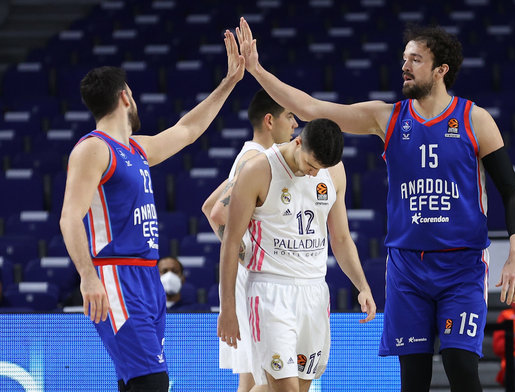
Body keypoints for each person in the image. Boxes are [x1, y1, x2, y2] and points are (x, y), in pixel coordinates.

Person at [234, 18, 515, 392]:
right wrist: (257, 69)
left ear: (441, 70)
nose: (404, 66)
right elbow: (309, 106)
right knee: (413, 378)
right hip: (407, 269)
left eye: (415, 60)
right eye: (404, 58)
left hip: (462, 266)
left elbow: (512, 190)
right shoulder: (387, 117)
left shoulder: (475, 120)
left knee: (460, 365)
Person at [59, 30, 244, 391]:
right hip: (117, 275)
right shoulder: (94, 150)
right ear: (125, 96)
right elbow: (69, 217)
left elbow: (187, 130)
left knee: (137, 383)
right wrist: (88, 277)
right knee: (153, 384)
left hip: (147, 278)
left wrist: (229, 82)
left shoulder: (136, 149)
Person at [217, 118, 376, 392]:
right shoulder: (258, 170)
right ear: (298, 142)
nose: (315, 174)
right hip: (270, 291)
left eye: (321, 169)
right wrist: (228, 307)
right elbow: (230, 241)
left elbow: (340, 238)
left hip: (314, 291)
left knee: (300, 389)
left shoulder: (334, 171)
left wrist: (362, 286)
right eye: (311, 166)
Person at [201, 88, 298, 392]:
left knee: (253, 379)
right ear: (270, 120)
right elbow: (218, 213)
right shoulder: (257, 159)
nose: (295, 124)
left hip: (251, 278)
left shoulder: (251, 156)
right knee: (273, 380)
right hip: (256, 282)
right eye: (289, 116)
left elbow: (208, 207)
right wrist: (249, 256)